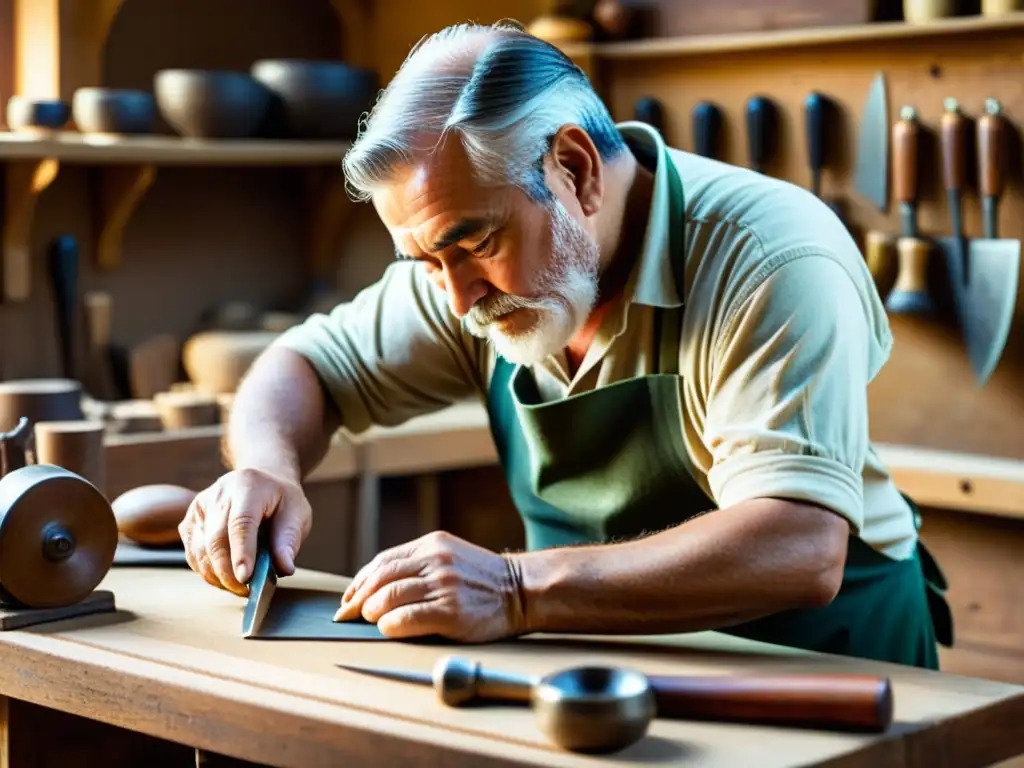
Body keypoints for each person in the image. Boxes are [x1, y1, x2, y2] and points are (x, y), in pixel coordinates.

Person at [178, 20, 951, 667]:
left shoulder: (772, 255)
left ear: (575, 169)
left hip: (820, 670)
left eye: (475, 245)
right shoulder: (464, 258)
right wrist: (265, 469)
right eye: (428, 262)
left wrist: (516, 589)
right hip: (610, 666)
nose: (457, 298)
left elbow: (797, 544)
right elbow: (302, 365)